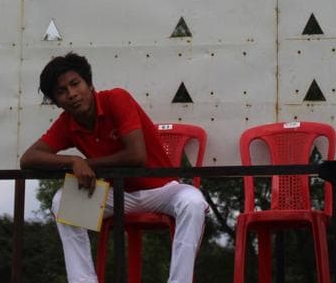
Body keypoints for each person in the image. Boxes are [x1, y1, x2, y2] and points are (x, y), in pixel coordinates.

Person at [20, 52, 208, 283]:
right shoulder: (67, 123)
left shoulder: (116, 98)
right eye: (61, 91)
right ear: (57, 102)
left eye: (75, 84)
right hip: (117, 195)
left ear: (89, 84)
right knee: (62, 202)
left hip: (161, 190)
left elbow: (136, 156)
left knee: (193, 201)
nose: (72, 94)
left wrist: (86, 163)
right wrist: (73, 161)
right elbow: (28, 158)